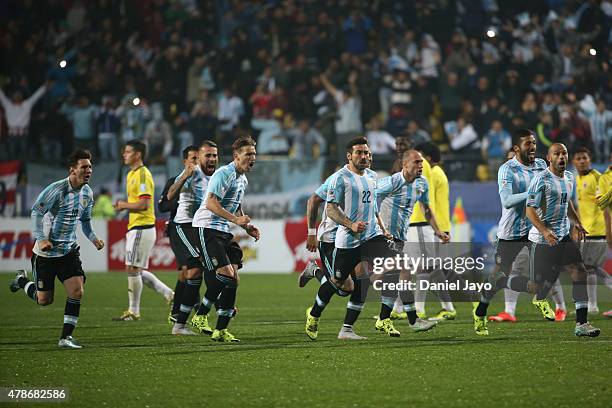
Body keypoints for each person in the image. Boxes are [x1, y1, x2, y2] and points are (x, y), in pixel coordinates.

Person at [9, 149, 104, 349]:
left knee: (77, 291)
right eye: (84, 167)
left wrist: (94, 239)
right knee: (44, 300)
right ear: (72, 170)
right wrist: (41, 238)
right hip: (45, 254)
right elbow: (36, 212)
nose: (88, 170)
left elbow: (85, 221)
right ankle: (22, 281)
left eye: (90, 167)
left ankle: (65, 338)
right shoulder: (57, 189)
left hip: (68, 252)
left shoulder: (87, 193)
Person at [304, 137, 389, 340]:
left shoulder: (372, 177)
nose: (364, 156)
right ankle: (314, 309)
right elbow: (325, 205)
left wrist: (383, 229)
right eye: (359, 153)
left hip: (366, 235)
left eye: (367, 153)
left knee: (368, 275)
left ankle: (348, 329)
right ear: (349, 156)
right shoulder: (338, 179)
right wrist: (312, 232)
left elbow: (373, 207)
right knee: (343, 285)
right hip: (338, 238)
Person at [473, 129, 551, 335]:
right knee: (498, 274)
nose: (532, 147)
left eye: (533, 143)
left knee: (539, 281)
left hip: (534, 228)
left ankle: (540, 297)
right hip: (511, 232)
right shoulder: (507, 170)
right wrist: (532, 192)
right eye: (527, 144)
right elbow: (507, 201)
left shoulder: (542, 165)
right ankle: (480, 311)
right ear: (517, 148)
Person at [525, 143, 600, 337]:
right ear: (549, 158)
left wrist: (577, 222)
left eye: (564, 153)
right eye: (557, 154)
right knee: (536, 286)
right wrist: (544, 231)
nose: (561, 157)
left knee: (579, 271)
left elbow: (567, 203)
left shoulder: (568, 178)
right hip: (542, 240)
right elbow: (529, 210)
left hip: (563, 235)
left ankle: (581, 323)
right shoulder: (540, 179)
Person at [190, 136, 260, 342]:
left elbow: (236, 206)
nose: (252, 158)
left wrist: (247, 226)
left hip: (222, 230)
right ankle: (201, 314)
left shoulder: (243, 179)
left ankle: (221, 330)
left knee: (233, 279)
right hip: (206, 227)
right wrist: (235, 220)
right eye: (248, 154)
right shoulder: (224, 173)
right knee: (228, 276)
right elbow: (211, 203)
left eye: (254, 154)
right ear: (236, 156)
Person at [376, 149, 448, 334]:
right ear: (405, 165)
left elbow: (426, 209)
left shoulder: (422, 184)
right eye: (416, 162)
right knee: (401, 271)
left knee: (397, 276)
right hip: (382, 236)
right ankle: (412, 319)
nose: (420, 166)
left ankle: (386, 319)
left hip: (400, 237)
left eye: (421, 162)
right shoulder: (391, 182)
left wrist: (438, 231)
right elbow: (370, 198)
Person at [113, 140, 174, 321]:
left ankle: (134, 311)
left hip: (142, 226)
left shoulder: (142, 175)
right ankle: (169, 294)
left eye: (128, 151)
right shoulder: (131, 174)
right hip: (137, 227)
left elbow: (144, 203)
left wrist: (123, 205)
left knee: (132, 268)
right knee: (135, 269)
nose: (124, 154)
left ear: (138, 154)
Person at [166, 142, 218, 335]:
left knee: (198, 272)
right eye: (207, 156)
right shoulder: (192, 173)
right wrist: (184, 177)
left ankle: (181, 323)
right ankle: (183, 321)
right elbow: (170, 194)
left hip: (202, 226)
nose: (210, 159)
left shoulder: (217, 176)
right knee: (195, 268)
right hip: (184, 226)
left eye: (214, 156)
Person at [572, 148, 611, 314]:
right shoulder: (577, 178)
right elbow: (581, 206)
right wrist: (577, 226)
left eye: (585, 158)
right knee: (592, 268)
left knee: (588, 267)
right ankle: (592, 305)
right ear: (574, 162)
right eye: (578, 158)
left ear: (590, 159)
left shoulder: (597, 177)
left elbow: (605, 207)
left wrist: (609, 231)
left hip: (597, 230)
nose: (582, 161)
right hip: (586, 230)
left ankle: (592, 306)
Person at [0, 81, 48, 159]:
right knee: (12, 155)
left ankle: (22, 170)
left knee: (23, 155)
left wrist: (44, 87)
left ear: (21, 97)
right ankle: (13, 169)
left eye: (19, 96)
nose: (17, 97)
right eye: (16, 96)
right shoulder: (8, 105)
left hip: (23, 134)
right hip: (12, 134)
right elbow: (1, 96)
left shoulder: (26, 104)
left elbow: (36, 96)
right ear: (13, 97)